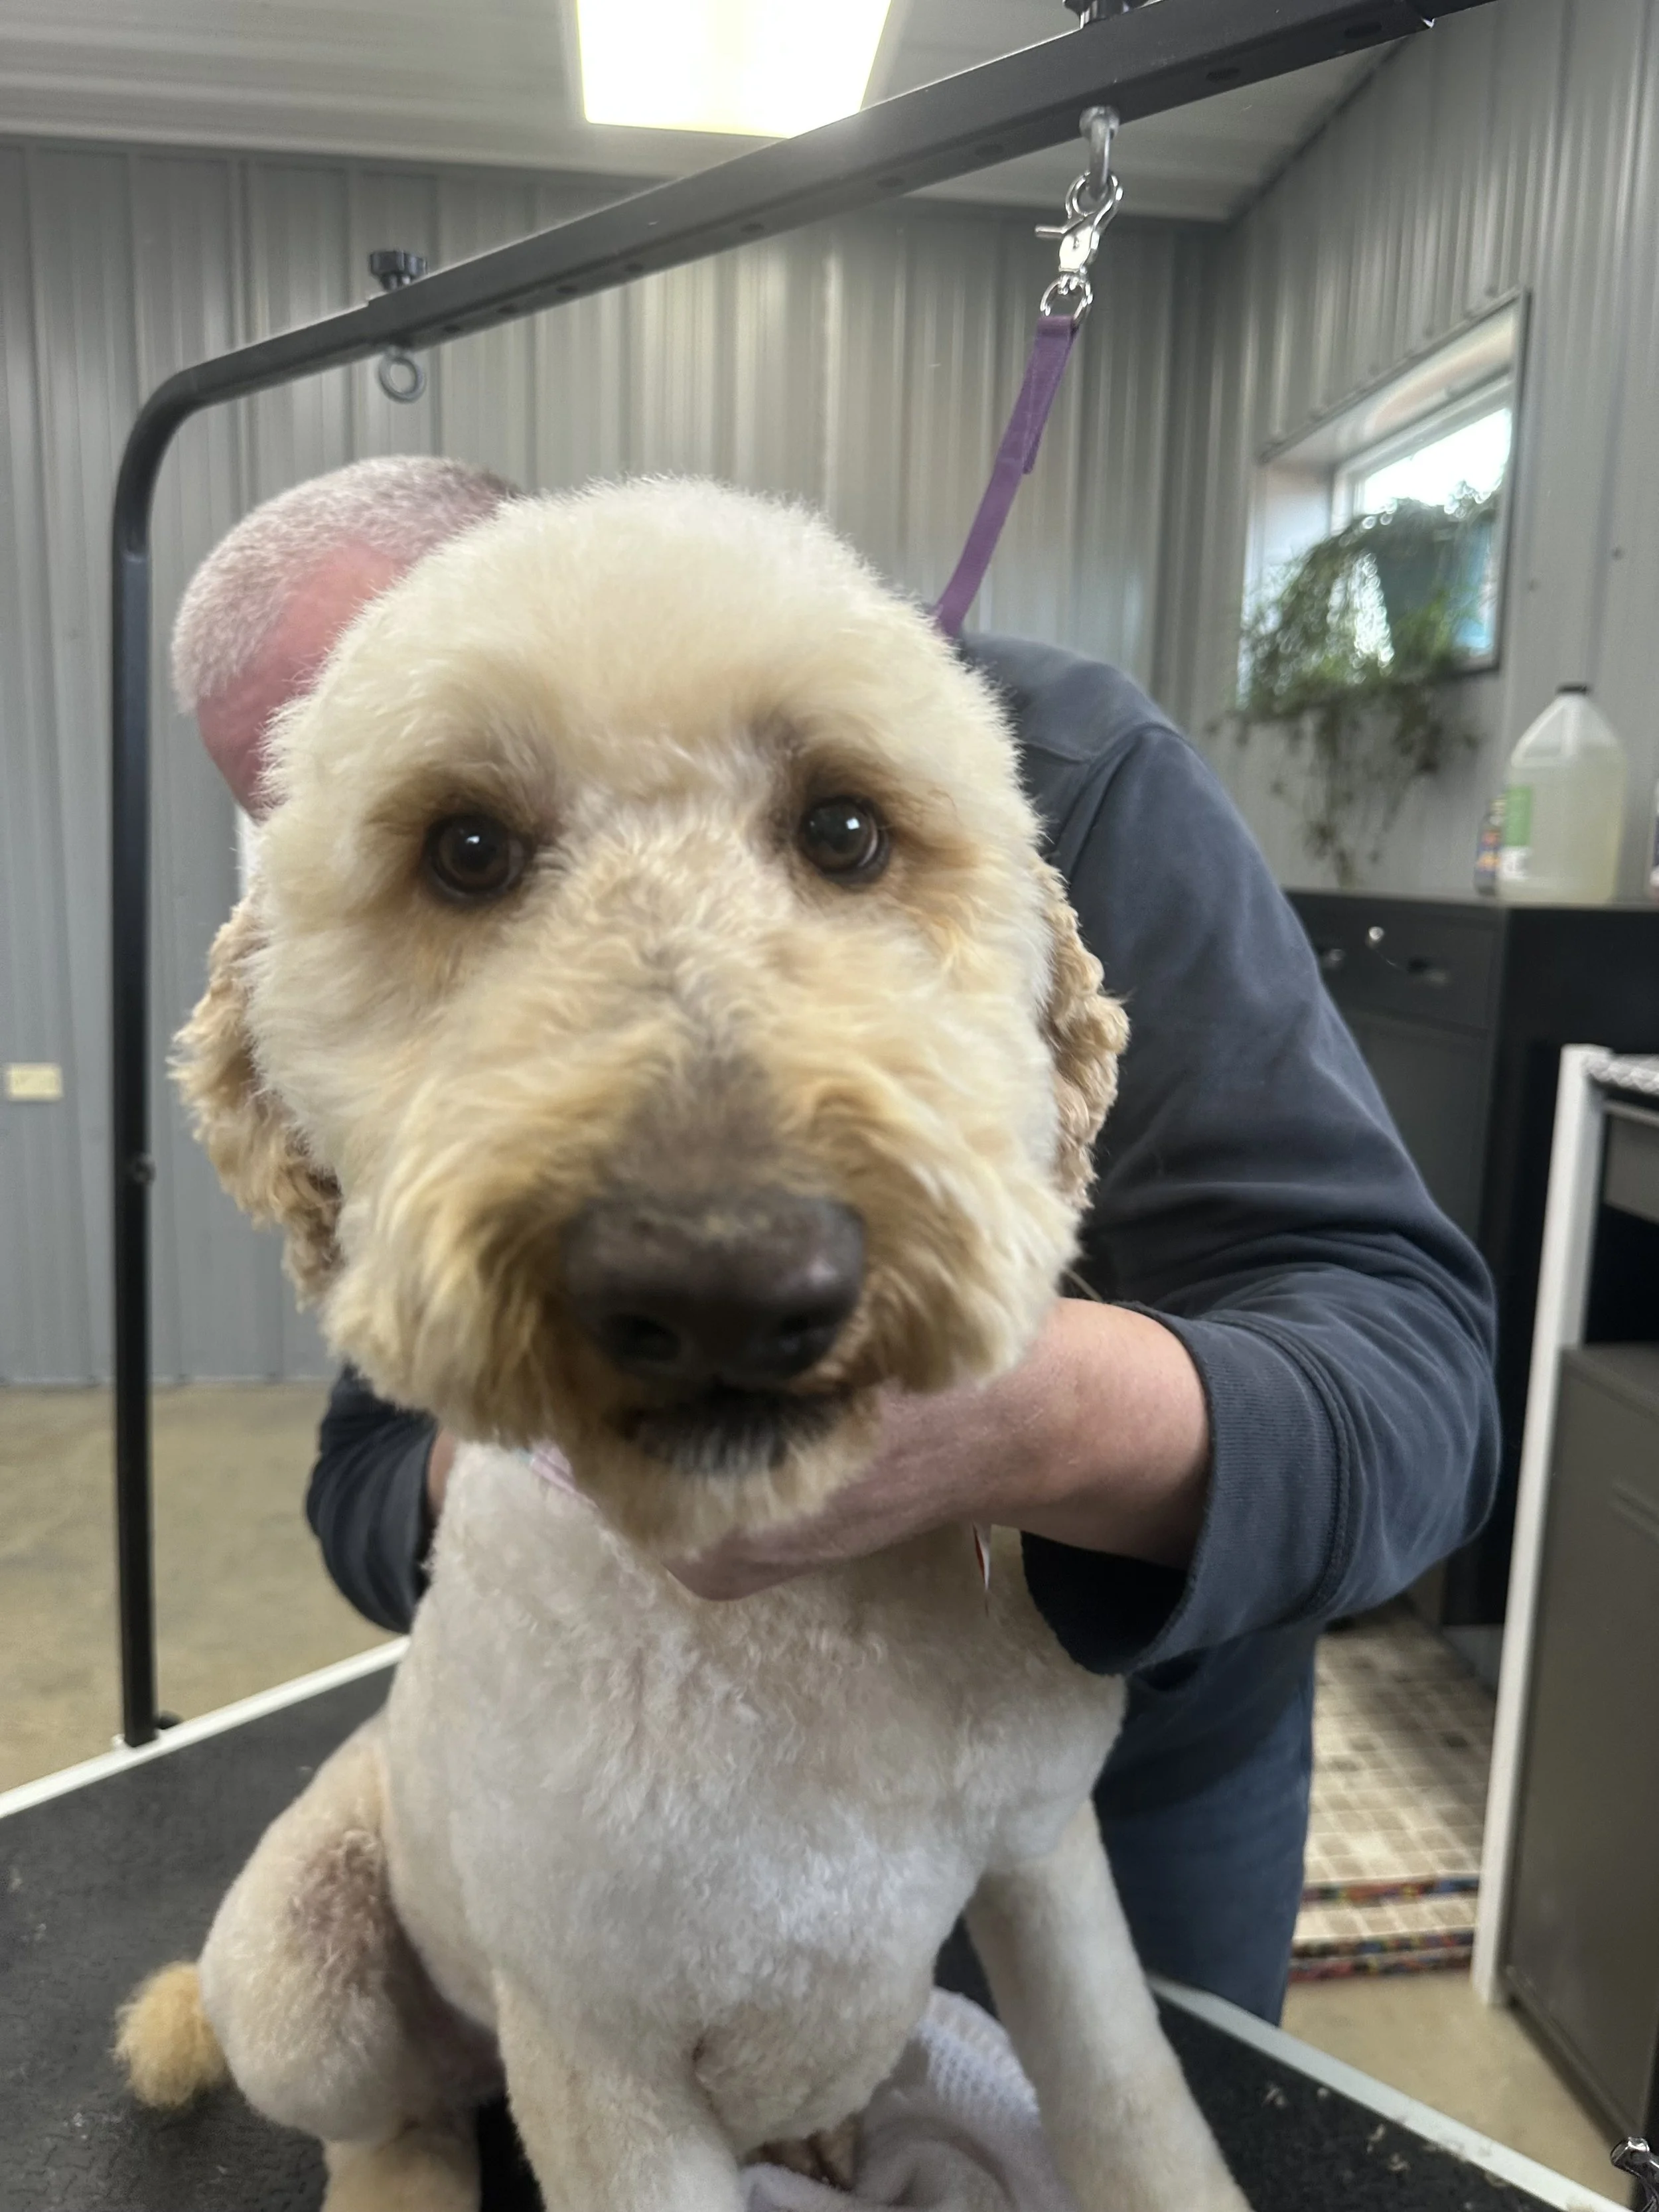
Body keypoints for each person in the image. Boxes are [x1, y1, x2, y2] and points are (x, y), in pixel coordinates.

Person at [177, 455, 1499, 2036]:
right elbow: (363, 1490)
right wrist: (512, 1465)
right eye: (459, 856)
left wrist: (1022, 1419)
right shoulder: (329, 984)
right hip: (658, 1874)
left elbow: (1415, 1396)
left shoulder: (1072, 783)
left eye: (839, 837)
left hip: (1089, 1838)